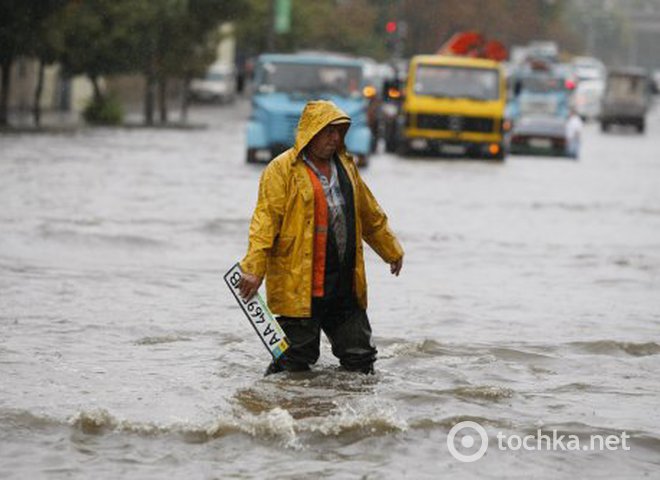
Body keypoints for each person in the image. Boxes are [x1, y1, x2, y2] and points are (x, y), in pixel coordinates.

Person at [238, 100, 404, 375]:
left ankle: (351, 412)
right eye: (328, 132)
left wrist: (391, 250)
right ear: (310, 132)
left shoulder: (346, 167)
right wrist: (254, 269)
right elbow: (265, 222)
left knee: (360, 358)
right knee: (294, 361)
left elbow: (369, 213)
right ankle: (274, 410)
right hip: (300, 281)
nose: (335, 138)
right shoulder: (281, 170)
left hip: (344, 283)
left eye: (339, 132)